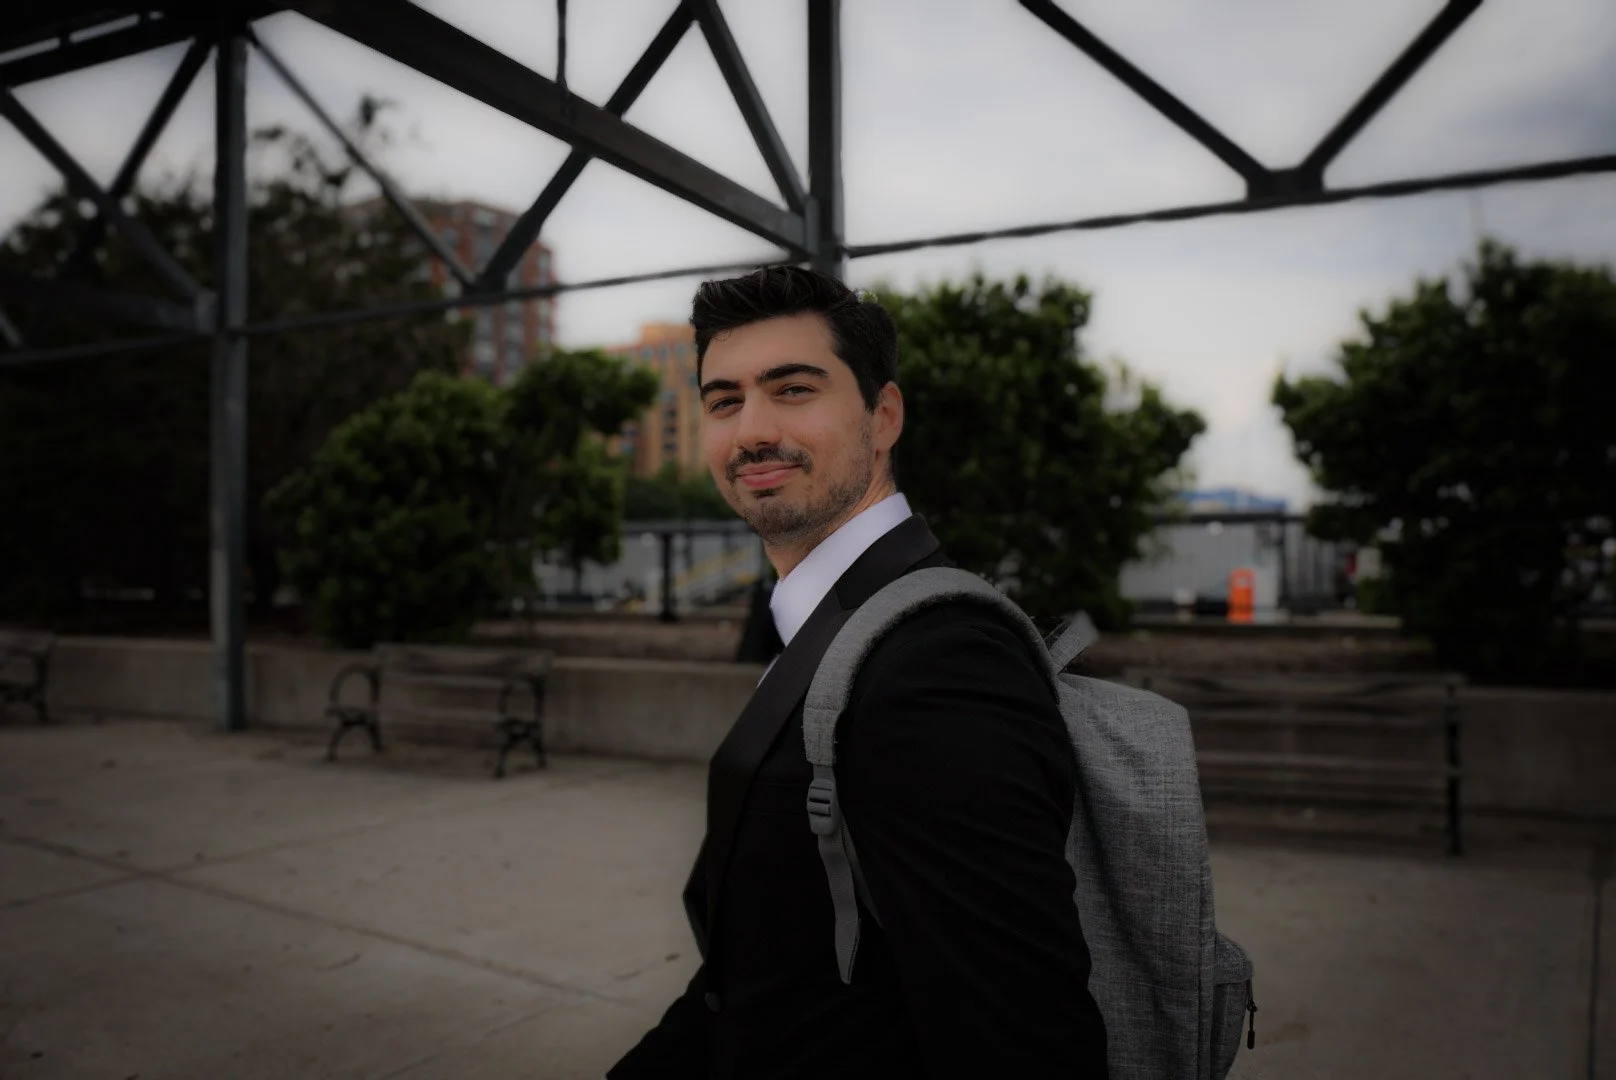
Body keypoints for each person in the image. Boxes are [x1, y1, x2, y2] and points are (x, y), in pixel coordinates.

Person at [608, 266, 1109, 1079]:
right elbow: (774, 964)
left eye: (793, 389)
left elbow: (1026, 1040)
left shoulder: (939, 666)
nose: (750, 431)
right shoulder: (833, 622)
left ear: (883, 417)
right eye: (724, 400)